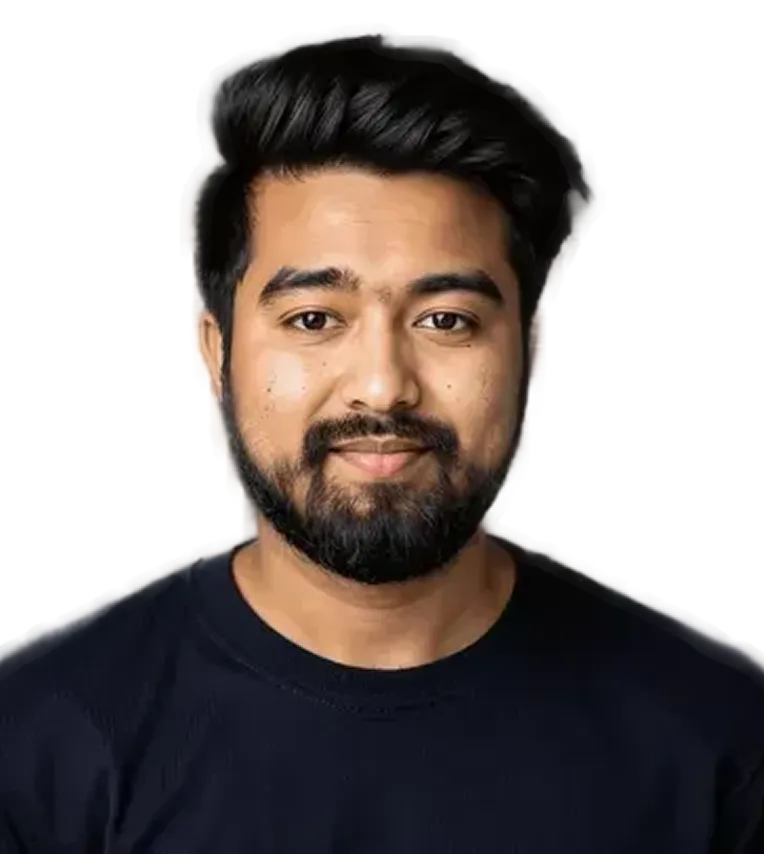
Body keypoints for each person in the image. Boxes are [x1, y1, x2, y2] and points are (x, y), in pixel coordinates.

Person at [2, 31, 762, 852]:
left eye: (446, 320)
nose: (382, 386)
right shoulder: (36, 738)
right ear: (213, 351)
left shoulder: (725, 734)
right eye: (313, 319)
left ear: (533, 354)